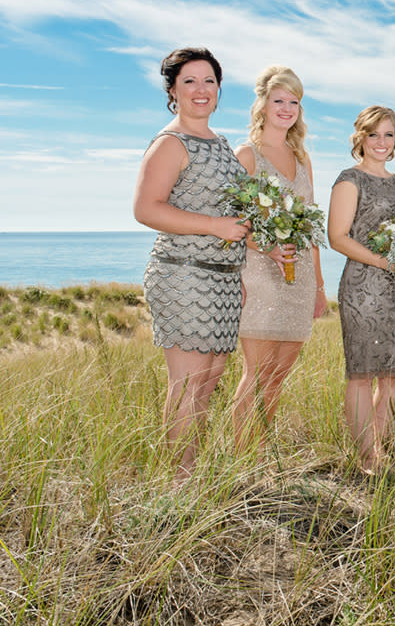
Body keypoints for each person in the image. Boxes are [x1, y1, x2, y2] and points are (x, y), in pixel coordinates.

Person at [133, 47, 249, 482]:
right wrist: (214, 226)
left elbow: (234, 217)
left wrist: (241, 266)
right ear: (172, 91)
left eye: (209, 81)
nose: (201, 90)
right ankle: (179, 486)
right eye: (189, 81)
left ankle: (192, 478)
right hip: (182, 274)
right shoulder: (170, 143)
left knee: (209, 379)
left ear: (219, 89)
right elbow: (146, 208)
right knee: (188, 383)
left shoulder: (221, 144)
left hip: (223, 279)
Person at [232, 65, 327, 452]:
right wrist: (266, 247)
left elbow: (312, 225)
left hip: (299, 280)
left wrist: (318, 286)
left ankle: (258, 453)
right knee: (256, 374)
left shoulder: (302, 158)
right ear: (263, 105)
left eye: (294, 102)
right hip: (261, 276)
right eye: (279, 100)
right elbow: (231, 221)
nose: (287, 108)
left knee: (277, 377)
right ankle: (240, 461)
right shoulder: (247, 155)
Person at [328, 106, 395, 472]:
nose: (381, 142)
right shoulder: (350, 179)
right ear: (361, 138)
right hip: (364, 290)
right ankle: (367, 459)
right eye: (373, 134)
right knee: (363, 375)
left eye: (388, 135)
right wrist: (385, 263)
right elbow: (337, 237)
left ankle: (383, 450)